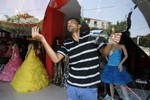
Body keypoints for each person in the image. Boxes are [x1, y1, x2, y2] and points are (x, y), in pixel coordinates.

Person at [31, 18, 122, 100]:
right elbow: (56, 59)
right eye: (68, 24)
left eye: (72, 22)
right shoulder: (67, 43)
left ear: (79, 26)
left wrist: (110, 43)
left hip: (89, 87)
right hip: (72, 86)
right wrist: (43, 40)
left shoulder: (91, 35)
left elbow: (104, 53)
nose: (69, 24)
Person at [100, 28, 132, 100]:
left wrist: (120, 64)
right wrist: (108, 60)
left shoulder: (121, 46)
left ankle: (126, 98)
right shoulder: (109, 46)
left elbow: (126, 56)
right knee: (111, 84)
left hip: (117, 67)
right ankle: (112, 98)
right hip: (110, 67)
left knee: (121, 84)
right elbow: (105, 54)